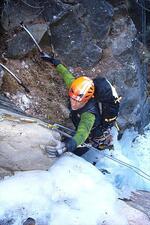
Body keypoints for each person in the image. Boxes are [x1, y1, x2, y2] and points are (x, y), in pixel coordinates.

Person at [41, 52, 120, 157]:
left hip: (93, 131)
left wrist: (68, 145)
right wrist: (54, 62)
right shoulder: (76, 91)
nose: (73, 103)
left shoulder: (89, 115)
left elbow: (82, 133)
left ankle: (80, 154)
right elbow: (67, 75)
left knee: (83, 145)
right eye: (72, 99)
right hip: (78, 118)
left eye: (78, 101)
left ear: (86, 99)